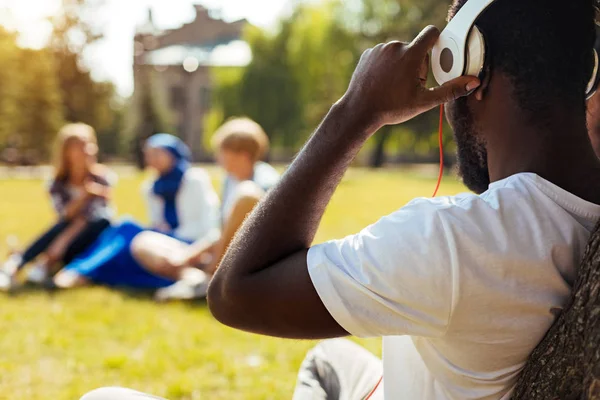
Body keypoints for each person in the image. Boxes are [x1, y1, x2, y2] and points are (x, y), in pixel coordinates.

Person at [80, 1, 600, 399]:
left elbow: (236, 291)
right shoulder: (574, 212)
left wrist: (357, 109)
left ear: (470, 70)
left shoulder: (459, 242)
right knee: (331, 359)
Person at [127, 118, 280, 302]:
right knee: (144, 242)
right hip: (218, 256)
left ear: (242, 155)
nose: (218, 158)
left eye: (222, 152)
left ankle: (210, 281)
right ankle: (197, 281)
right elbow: (221, 232)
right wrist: (189, 256)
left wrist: (206, 260)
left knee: (247, 195)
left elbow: (253, 235)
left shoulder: (263, 183)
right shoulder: (229, 181)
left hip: (245, 259)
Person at [53, 134, 220, 296]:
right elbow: (157, 222)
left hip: (194, 243)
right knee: (124, 230)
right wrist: (160, 230)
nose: (151, 159)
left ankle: (78, 271)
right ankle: (80, 271)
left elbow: (206, 222)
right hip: (166, 240)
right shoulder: (151, 187)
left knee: (127, 230)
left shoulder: (194, 179)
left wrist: (170, 235)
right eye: (148, 155)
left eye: (157, 154)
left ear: (172, 154)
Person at [0, 123, 114, 290]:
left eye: (88, 144)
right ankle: (20, 265)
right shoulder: (56, 184)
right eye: (79, 146)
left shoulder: (102, 178)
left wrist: (62, 241)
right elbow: (64, 215)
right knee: (64, 223)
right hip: (67, 242)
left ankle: (27, 262)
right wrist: (84, 196)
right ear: (66, 152)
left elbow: (98, 216)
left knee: (99, 220)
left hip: (95, 241)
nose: (86, 150)